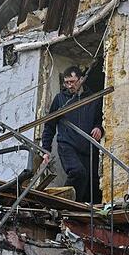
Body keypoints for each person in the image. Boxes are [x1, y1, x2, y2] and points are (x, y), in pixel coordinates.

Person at [41, 66, 104, 203]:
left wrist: (99, 128)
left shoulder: (93, 98)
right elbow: (49, 126)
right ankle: (63, 203)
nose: (69, 86)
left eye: (73, 82)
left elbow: (100, 119)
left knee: (91, 182)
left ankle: (82, 209)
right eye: (67, 82)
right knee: (77, 172)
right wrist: (45, 150)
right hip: (67, 145)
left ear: (81, 79)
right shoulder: (60, 99)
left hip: (88, 147)